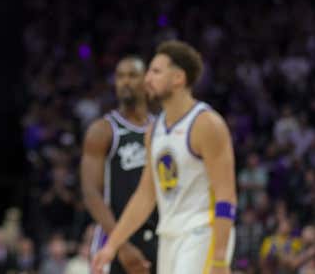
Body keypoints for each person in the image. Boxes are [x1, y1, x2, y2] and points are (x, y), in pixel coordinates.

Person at [92, 40, 237, 274]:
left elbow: (226, 195)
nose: (147, 78)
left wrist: (219, 257)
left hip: (202, 230)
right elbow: (145, 196)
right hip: (169, 234)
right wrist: (112, 245)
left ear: (178, 78)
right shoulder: (154, 130)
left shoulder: (207, 124)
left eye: (156, 71)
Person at [81, 57, 157, 274]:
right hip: (113, 237)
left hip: (157, 234)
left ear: (146, 81)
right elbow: (91, 193)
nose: (125, 82)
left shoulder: (162, 128)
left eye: (132, 75)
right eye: (120, 76)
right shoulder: (103, 130)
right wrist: (120, 246)